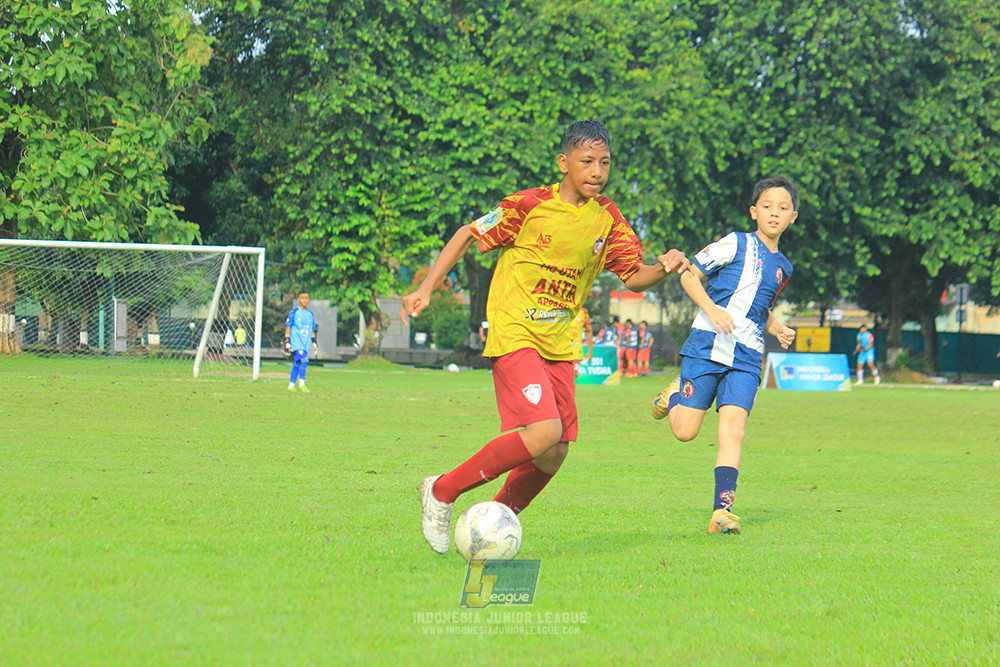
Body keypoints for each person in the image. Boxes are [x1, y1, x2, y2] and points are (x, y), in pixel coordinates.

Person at [400, 120, 691, 555]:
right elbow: (467, 233)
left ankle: (489, 527)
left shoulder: (606, 218)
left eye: (604, 163)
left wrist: (664, 267)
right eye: (586, 161)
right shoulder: (529, 205)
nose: (597, 171)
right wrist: (426, 288)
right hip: (515, 329)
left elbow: (634, 276)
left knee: (554, 452)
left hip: (559, 341)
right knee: (541, 432)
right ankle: (442, 491)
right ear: (564, 163)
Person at [651, 175, 799, 536]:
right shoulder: (736, 242)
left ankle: (722, 512)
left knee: (734, 428)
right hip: (707, 345)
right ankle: (673, 395)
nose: (774, 213)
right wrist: (711, 310)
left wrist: (776, 327)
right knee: (686, 432)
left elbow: (756, 306)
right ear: (753, 211)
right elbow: (689, 275)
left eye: (783, 208)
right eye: (767, 206)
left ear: (793, 217)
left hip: (748, 357)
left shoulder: (785, 268)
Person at [285, 291, 317, 393]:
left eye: (306, 298)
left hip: (305, 343)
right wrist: (287, 340)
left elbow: (311, 329)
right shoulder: (294, 312)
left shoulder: (310, 314)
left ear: (309, 299)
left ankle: (291, 386)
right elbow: (288, 326)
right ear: (298, 299)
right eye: (302, 298)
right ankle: (302, 385)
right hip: (296, 342)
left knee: (297, 363)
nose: (304, 300)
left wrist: (314, 341)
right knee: (305, 360)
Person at [569, 306, 593, 375]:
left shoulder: (583, 312)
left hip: (576, 351)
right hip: (560, 351)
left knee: (573, 375)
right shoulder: (561, 307)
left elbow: (589, 330)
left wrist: (590, 351)